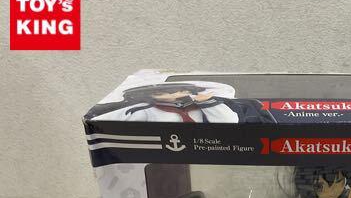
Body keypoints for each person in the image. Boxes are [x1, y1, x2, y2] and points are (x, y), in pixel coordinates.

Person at [87, 81, 275, 123]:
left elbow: (229, 123)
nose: (172, 95)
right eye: (161, 93)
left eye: (179, 91)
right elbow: (103, 122)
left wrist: (208, 103)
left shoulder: (207, 105)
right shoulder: (143, 110)